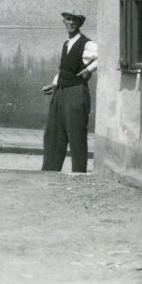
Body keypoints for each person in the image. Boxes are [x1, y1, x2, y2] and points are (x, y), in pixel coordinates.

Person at [42, 11, 98, 172]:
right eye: (68, 19)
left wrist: (90, 69)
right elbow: (64, 68)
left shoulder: (87, 44)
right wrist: (53, 84)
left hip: (76, 91)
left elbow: (104, 56)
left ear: (80, 24)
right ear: (64, 22)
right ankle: (50, 170)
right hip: (60, 91)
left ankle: (79, 173)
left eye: (75, 20)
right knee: (54, 131)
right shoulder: (67, 44)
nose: (71, 22)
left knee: (76, 133)